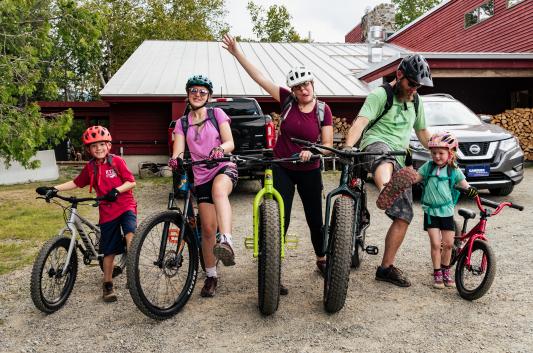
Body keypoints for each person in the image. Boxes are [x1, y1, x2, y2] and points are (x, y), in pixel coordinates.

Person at [222, 34, 334, 291]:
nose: (303, 90)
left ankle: (321, 258)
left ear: (312, 84)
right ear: (292, 91)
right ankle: (274, 269)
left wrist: (312, 151)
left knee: (315, 219)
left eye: (306, 85)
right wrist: (237, 53)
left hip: (310, 169)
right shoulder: (287, 101)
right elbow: (260, 78)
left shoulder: (323, 110)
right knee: (277, 219)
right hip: (282, 165)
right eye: (298, 87)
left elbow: (327, 147)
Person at [343, 54, 433, 287]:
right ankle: (385, 189)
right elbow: (361, 122)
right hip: (374, 146)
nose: (414, 89)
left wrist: (440, 151)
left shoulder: (416, 101)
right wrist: (348, 147)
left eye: (418, 85)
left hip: (400, 158)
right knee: (386, 157)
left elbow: (423, 133)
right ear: (399, 75)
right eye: (412, 83)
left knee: (404, 216)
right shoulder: (380, 95)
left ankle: (385, 268)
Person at [36, 126, 137, 302]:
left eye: (101, 144)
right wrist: (53, 188)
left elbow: (131, 182)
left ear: (108, 145)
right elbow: (76, 183)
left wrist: (116, 190)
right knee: (108, 251)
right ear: (88, 149)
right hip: (107, 212)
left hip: (125, 205)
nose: (98, 148)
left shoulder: (117, 161)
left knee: (130, 235)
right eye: (94, 146)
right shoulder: (90, 168)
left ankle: (133, 272)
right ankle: (107, 285)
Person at [168, 74, 238, 298]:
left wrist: (221, 150)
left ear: (209, 95)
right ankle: (211, 275)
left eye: (202, 91)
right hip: (201, 176)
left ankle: (226, 241)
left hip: (223, 167)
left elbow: (230, 143)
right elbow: (178, 150)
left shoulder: (217, 114)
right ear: (188, 94)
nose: (198, 94)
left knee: (219, 191)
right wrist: (175, 160)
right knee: (207, 229)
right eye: (193, 91)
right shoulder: (182, 123)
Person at [380, 131, 478, 288]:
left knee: (447, 244)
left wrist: (471, 189)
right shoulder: (428, 167)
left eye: (441, 153)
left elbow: (464, 183)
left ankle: (446, 272)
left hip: (446, 212)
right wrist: (408, 166)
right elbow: (414, 179)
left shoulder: (453, 169)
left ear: (450, 153)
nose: (437, 156)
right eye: (434, 153)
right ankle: (437, 272)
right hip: (431, 212)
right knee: (435, 243)